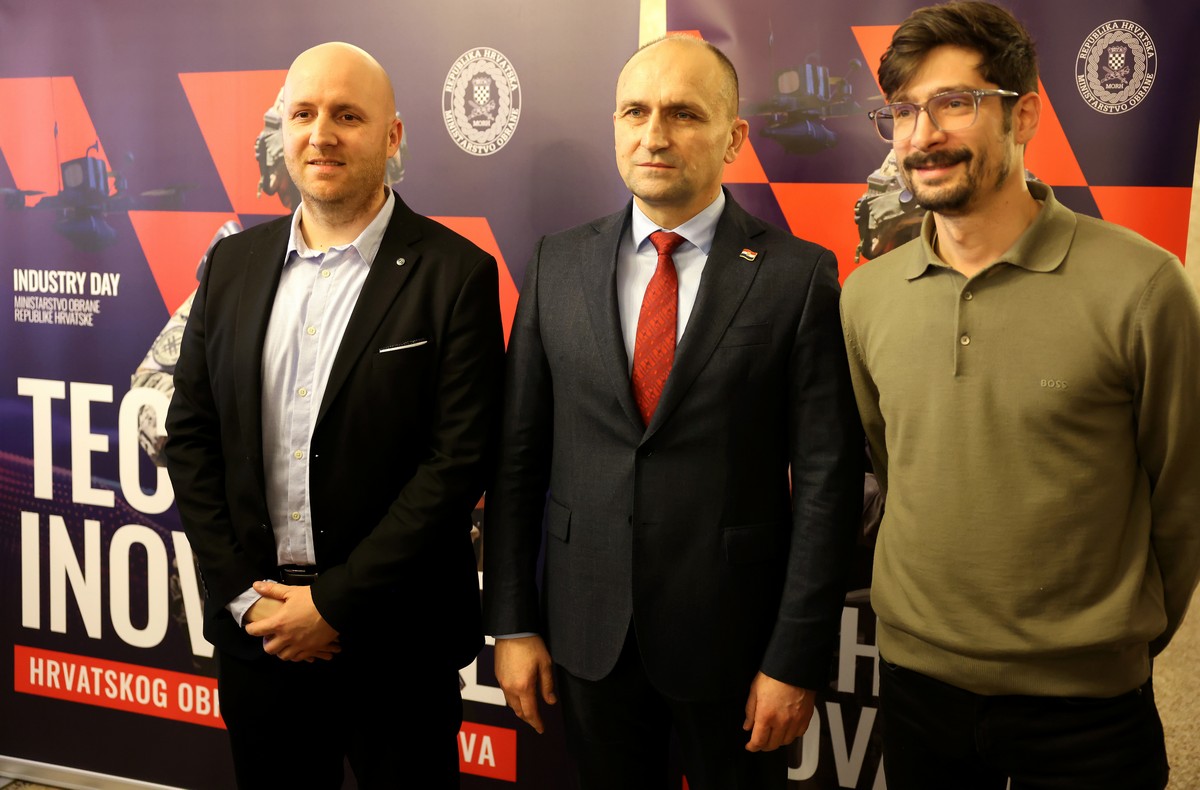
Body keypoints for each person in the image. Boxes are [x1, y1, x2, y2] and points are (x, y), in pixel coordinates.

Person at [482, 35, 862, 789]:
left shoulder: (797, 276)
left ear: (734, 137)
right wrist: (512, 621)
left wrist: (795, 658)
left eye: (684, 114)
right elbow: (517, 459)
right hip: (585, 636)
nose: (654, 135)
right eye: (636, 112)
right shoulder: (557, 264)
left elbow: (828, 483)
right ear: (615, 126)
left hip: (736, 647)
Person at [841, 3, 1200, 789]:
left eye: (954, 102)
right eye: (903, 111)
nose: (922, 135)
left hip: (1088, 712)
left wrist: (1110, 639)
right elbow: (894, 463)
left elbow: (1182, 496)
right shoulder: (866, 297)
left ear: (1025, 115)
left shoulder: (1144, 287)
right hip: (916, 689)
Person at [164, 42, 503, 788]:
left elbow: (456, 464)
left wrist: (332, 605)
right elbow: (188, 435)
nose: (321, 135)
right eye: (303, 114)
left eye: (348, 116)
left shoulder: (456, 274)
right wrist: (246, 598)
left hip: (397, 646)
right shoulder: (230, 266)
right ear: (283, 129)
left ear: (393, 135)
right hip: (260, 639)